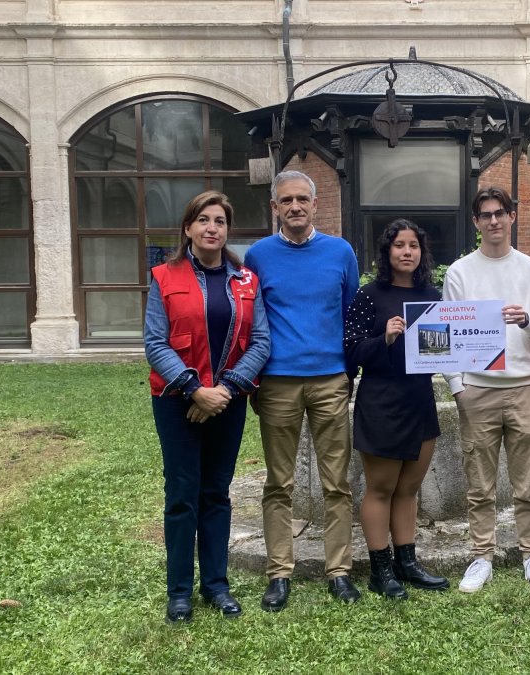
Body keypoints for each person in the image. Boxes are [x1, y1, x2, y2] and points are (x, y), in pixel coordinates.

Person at [144, 190, 271, 623]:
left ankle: (216, 585)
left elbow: (261, 342)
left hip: (228, 402)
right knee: (182, 495)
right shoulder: (164, 276)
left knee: (216, 492)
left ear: (227, 230)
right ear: (188, 228)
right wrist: (195, 389)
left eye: (219, 221)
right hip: (176, 401)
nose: (212, 228)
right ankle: (179, 592)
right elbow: (155, 342)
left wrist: (225, 390)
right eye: (203, 220)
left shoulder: (246, 280)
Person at [243, 170, 361, 611]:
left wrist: (348, 372)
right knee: (279, 482)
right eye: (286, 200)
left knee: (337, 482)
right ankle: (279, 573)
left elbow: (351, 315)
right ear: (275, 207)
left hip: (330, 378)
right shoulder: (258, 256)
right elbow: (251, 318)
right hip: (278, 381)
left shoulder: (340, 252)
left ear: (315, 204)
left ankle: (339, 571)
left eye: (302, 199)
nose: (295, 206)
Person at [443, 185, 530, 593]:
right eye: (486, 215)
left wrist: (526, 320)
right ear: (476, 222)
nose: (494, 220)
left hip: (524, 387)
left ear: (512, 217)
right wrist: (458, 387)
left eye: (500, 213)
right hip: (478, 390)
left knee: (528, 481)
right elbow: (447, 335)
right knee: (479, 482)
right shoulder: (459, 272)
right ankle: (482, 556)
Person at [344, 219, 449, 599]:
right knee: (381, 488)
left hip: (419, 399)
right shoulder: (369, 295)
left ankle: (408, 564)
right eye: (399, 245)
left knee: (408, 489)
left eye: (413, 245)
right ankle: (380, 570)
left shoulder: (432, 296)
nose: (407, 251)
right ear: (387, 251)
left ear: (422, 252)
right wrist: (385, 338)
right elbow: (351, 350)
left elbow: (441, 349)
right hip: (382, 400)